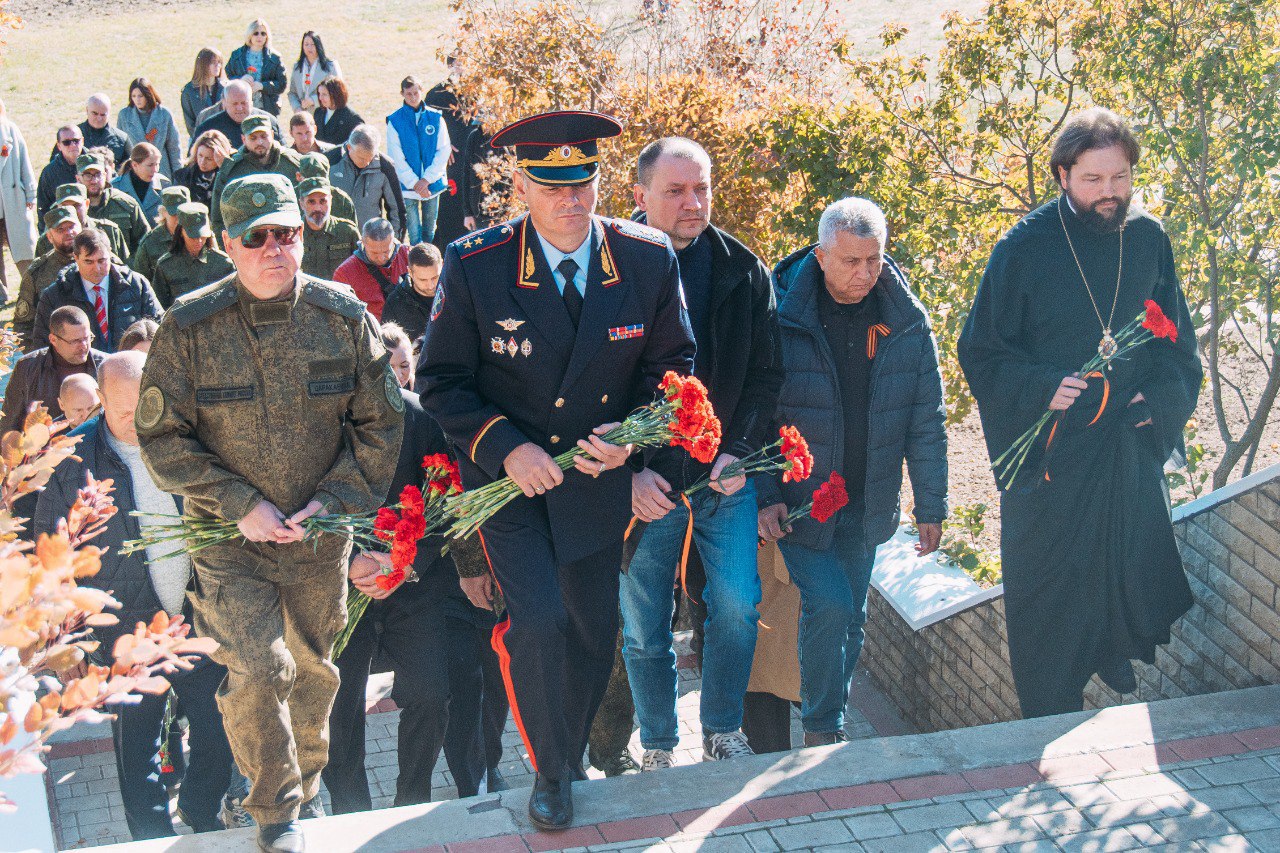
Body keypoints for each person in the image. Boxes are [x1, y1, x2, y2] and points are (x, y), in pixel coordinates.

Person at [418, 110, 695, 830]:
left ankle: (565, 749)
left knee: (593, 629)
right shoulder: (476, 264)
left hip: (596, 483)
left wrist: (633, 442)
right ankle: (551, 772)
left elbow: (674, 374)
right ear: (521, 186)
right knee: (538, 618)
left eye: (583, 183)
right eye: (551, 186)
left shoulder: (645, 258)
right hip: (512, 483)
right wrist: (506, 445)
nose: (570, 200)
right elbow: (442, 380)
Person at [136, 173, 402, 853]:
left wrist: (333, 503)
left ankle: (304, 790)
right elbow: (162, 439)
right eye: (255, 237)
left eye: (284, 233)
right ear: (227, 244)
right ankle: (273, 808)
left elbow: (380, 424)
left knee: (313, 672)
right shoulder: (190, 327)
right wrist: (239, 504)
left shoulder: (341, 317)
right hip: (231, 541)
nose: (273, 248)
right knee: (260, 667)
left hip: (318, 539)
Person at [958, 108, 1202, 718]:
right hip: (1052, 458)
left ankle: (1109, 653)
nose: (1108, 193)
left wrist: (1157, 403)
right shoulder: (1024, 248)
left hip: (1121, 447)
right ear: (1064, 175)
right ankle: (1046, 716)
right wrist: (1044, 386)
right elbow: (980, 350)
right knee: (1049, 599)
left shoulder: (1147, 238)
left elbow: (1178, 344)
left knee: (1128, 574)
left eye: (1119, 178)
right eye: (1093, 179)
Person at [618, 137, 782, 770]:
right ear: (640, 196)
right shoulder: (609, 267)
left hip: (723, 480)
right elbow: (583, 392)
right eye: (676, 191)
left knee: (738, 603)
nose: (693, 203)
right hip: (649, 489)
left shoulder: (743, 270)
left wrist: (738, 451)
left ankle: (721, 729)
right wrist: (628, 474)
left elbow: (768, 374)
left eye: (702, 189)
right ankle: (658, 742)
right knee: (644, 625)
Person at [762, 196, 948, 744]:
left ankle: (830, 720)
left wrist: (931, 504)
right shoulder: (781, 316)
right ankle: (823, 727)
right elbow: (758, 412)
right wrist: (768, 490)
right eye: (850, 262)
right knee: (830, 604)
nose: (865, 274)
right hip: (803, 501)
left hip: (867, 502)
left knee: (854, 617)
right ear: (821, 256)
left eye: (875, 260)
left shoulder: (906, 320)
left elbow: (925, 419)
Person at [35, 351, 235, 840]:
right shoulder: (73, 462)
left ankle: (200, 809)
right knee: (138, 747)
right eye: (124, 409)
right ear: (100, 402)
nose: (140, 418)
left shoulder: (187, 440)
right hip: (125, 627)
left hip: (195, 614)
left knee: (221, 729)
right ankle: (151, 838)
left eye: (147, 401)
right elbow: (50, 555)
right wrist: (68, 644)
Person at [324, 322, 505, 812]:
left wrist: (406, 562)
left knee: (430, 694)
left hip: (414, 585)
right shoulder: (317, 423)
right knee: (339, 709)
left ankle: (412, 799)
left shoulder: (423, 420)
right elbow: (301, 503)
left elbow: (448, 504)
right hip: (341, 587)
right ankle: (349, 808)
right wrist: (350, 563)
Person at [33, 228, 163, 354]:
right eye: (88, 262)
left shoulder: (136, 285)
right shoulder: (56, 294)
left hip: (130, 368)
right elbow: (42, 344)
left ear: (110, 254)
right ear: (76, 257)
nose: (97, 268)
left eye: (102, 260)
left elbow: (158, 329)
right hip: (80, 371)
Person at [1, 304, 106, 432]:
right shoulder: (28, 368)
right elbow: (9, 424)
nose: (84, 346)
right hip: (45, 448)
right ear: (53, 339)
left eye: (87, 338)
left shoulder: (106, 365)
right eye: (75, 341)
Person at [209, 115, 303, 238]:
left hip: (289, 238)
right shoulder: (232, 171)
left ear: (272, 135)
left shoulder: (293, 163)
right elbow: (218, 219)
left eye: (264, 136)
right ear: (243, 139)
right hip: (250, 242)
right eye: (253, 138)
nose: (259, 142)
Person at [386, 76, 449, 245]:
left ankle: (430, 266)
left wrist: (426, 179)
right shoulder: (395, 121)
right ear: (402, 94)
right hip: (408, 187)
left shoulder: (436, 118)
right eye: (408, 94)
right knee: (414, 235)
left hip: (431, 185)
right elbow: (396, 156)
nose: (413, 97)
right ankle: (416, 266)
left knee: (430, 231)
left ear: (421, 91)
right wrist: (415, 183)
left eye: (416, 93)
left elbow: (443, 150)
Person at [424, 68, 481, 249]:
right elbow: (427, 129)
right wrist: (442, 146)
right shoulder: (436, 96)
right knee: (449, 209)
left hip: (475, 159)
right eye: (459, 64)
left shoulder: (479, 91)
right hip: (450, 164)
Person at [16, 209, 80, 349]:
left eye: (71, 227)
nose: (68, 233)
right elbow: (23, 325)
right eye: (60, 229)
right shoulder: (37, 272)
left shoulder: (99, 261)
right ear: (50, 237)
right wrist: (39, 358)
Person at [151, 202, 234, 306]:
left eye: (203, 236)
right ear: (180, 232)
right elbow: (159, 305)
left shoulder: (223, 263)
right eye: (193, 236)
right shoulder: (165, 265)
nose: (199, 241)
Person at [328, 125, 404, 236]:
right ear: (349, 148)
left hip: (370, 239)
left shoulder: (385, 166)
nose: (367, 163)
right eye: (362, 158)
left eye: (371, 157)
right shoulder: (330, 160)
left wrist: (394, 242)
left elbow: (396, 209)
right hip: (335, 236)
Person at [333, 217, 409, 319]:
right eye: (374, 253)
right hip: (372, 332)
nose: (381, 258)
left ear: (394, 242)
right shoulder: (344, 274)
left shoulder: (409, 256)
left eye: (386, 251)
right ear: (363, 243)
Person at [0, 97, 37, 303]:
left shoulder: (10, 129)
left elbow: (25, 163)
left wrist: (30, 193)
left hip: (13, 199)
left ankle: (32, 287)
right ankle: (1, 293)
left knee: (23, 246)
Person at [33, 182, 129, 263]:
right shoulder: (47, 240)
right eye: (65, 206)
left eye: (76, 205)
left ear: (87, 204)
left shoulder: (109, 230)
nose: (71, 210)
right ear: (58, 207)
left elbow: (125, 267)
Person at [79, 150, 150, 255]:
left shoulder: (126, 204)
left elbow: (145, 241)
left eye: (98, 174)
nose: (94, 181)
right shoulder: (71, 207)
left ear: (105, 175)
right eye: (87, 175)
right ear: (78, 178)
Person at [190, 81, 283, 152]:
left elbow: (284, 153)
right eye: (235, 104)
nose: (240, 108)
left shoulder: (269, 122)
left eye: (244, 103)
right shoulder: (208, 128)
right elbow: (193, 161)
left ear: (251, 102)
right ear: (224, 103)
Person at [117, 78, 182, 179]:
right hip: (135, 172)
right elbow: (121, 148)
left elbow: (174, 147)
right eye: (133, 96)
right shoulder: (124, 115)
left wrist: (178, 175)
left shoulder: (164, 114)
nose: (137, 100)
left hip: (160, 171)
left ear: (148, 94)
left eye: (140, 96)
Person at [298, 177, 358, 280]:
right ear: (302, 204)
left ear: (330, 200)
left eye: (323, 201)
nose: (318, 208)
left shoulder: (348, 232)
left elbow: (362, 270)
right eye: (311, 202)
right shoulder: (292, 234)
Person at [380, 242, 440, 344]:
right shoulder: (395, 303)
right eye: (423, 280)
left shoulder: (457, 292)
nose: (431, 285)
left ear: (442, 264)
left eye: (435, 278)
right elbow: (388, 346)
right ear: (410, 272)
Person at [225, 19, 287, 117]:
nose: (260, 37)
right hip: (242, 107)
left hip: (267, 107)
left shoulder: (275, 58)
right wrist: (240, 80)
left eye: (263, 34)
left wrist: (263, 86)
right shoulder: (237, 55)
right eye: (256, 33)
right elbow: (228, 77)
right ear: (250, 35)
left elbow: (282, 84)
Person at [130, 186, 190, 282]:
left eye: (183, 214)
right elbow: (140, 281)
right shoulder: (150, 243)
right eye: (174, 214)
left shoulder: (201, 237)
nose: (179, 219)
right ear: (163, 212)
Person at [112, 142, 171, 226]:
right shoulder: (115, 187)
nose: (155, 170)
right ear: (135, 165)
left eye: (157, 164)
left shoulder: (165, 184)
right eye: (150, 165)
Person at [174, 130, 232, 208]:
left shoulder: (229, 176)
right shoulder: (183, 175)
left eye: (209, 159)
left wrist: (224, 168)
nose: (202, 162)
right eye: (200, 155)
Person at [36, 124, 83, 220]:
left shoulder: (96, 163)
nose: (73, 145)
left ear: (82, 141)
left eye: (76, 141)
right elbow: (43, 209)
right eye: (67, 142)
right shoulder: (49, 173)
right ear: (59, 146)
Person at [288, 32, 341, 113]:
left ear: (318, 46)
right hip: (303, 116)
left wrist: (314, 100)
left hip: (324, 113)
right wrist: (297, 108)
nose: (309, 48)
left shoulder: (330, 66)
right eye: (306, 44)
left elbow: (337, 91)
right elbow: (292, 93)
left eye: (313, 44)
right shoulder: (297, 67)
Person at [298, 152, 357, 224]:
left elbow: (351, 231)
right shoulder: (291, 197)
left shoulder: (343, 200)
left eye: (320, 182)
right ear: (298, 177)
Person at [181, 48, 227, 136]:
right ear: (203, 65)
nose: (218, 65)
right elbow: (190, 124)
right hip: (200, 139)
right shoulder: (189, 91)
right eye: (213, 62)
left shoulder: (227, 88)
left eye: (219, 62)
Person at [80, 94, 131, 168]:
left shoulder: (121, 139)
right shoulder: (72, 137)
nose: (99, 118)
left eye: (103, 115)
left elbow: (130, 169)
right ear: (87, 110)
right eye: (95, 113)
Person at [313, 78, 362, 148]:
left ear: (336, 95)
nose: (320, 98)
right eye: (319, 94)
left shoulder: (352, 118)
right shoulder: (318, 112)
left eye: (324, 94)